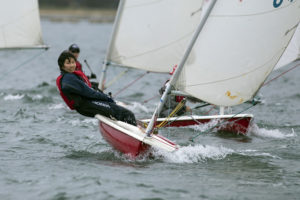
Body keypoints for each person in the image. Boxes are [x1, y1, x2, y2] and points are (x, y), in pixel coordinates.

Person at [56, 51, 136, 126]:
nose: (72, 65)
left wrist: (103, 95)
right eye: (68, 63)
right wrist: (106, 97)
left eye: (73, 62)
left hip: (88, 103)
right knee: (126, 114)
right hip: (86, 105)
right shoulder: (69, 79)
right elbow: (89, 93)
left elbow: (86, 88)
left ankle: (129, 128)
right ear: (62, 66)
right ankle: (134, 134)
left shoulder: (70, 76)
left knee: (120, 110)